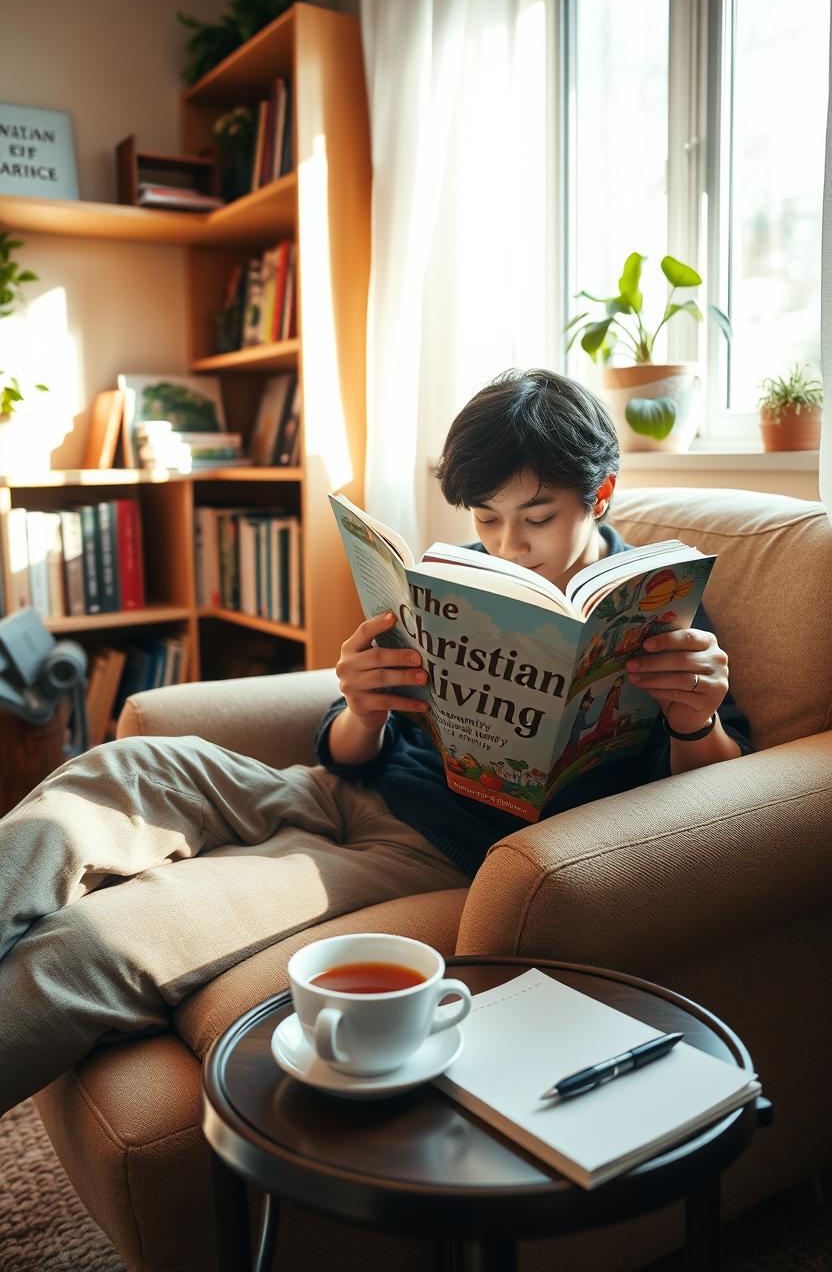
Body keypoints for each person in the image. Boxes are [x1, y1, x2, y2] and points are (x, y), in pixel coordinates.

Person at [0, 368, 752, 1114]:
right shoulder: (466, 581)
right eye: (487, 517)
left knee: (98, 943)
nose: (508, 545)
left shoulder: (659, 609)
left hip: (430, 852)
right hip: (340, 788)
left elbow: (715, 797)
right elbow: (346, 748)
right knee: (117, 770)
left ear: (601, 494)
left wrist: (695, 717)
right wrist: (362, 703)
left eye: (537, 516)